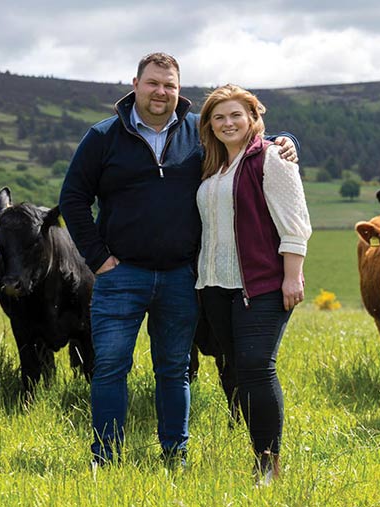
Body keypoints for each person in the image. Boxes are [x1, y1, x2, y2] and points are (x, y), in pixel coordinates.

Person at [58, 53, 298, 467]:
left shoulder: (197, 133)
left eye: (169, 85)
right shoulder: (102, 137)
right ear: (135, 84)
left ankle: (175, 454)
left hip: (180, 276)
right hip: (120, 275)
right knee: (111, 366)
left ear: (179, 89)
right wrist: (98, 259)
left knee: (173, 369)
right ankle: (106, 457)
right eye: (153, 83)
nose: (161, 92)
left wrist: (287, 141)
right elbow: (73, 199)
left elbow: (246, 140)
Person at [196, 84, 311, 485]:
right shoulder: (213, 166)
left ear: (252, 117)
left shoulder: (272, 158)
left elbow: (295, 222)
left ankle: (268, 466)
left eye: (235, 115)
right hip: (214, 285)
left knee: (258, 369)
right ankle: (257, 453)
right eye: (219, 117)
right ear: (209, 125)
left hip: (260, 283)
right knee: (239, 372)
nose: (227, 123)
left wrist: (292, 276)